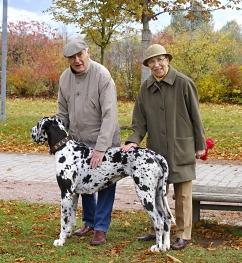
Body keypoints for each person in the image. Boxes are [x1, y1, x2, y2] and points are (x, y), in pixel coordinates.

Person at [122, 44, 206, 250]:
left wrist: (200, 144)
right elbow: (139, 120)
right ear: (149, 65)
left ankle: (183, 234)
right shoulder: (146, 87)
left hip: (181, 147)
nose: (157, 65)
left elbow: (196, 117)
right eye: (152, 61)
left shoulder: (184, 83)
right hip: (156, 150)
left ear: (167, 59)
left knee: (183, 193)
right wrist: (134, 139)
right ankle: (157, 229)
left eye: (160, 60)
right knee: (156, 192)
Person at [56, 37, 120, 245]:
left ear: (88, 52)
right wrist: (60, 141)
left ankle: (101, 227)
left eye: (80, 55)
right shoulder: (65, 78)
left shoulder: (102, 75)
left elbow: (110, 114)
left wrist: (101, 148)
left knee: (105, 183)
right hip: (78, 142)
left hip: (105, 139)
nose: (77, 60)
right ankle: (89, 221)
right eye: (72, 57)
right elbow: (62, 114)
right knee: (83, 181)